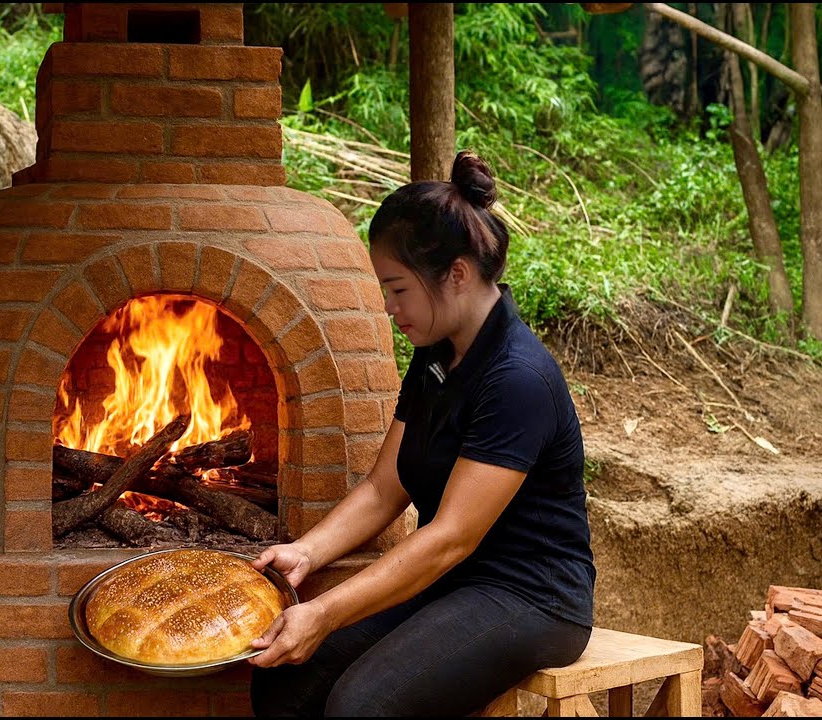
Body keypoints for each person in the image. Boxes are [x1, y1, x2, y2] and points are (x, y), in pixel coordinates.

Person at [247, 151, 596, 717]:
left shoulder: (517, 379)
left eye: (398, 289)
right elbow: (385, 487)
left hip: (531, 594)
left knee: (363, 707)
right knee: (287, 681)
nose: (388, 308)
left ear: (456, 274)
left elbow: (450, 537)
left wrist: (324, 613)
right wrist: (306, 552)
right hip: (456, 578)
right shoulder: (436, 356)